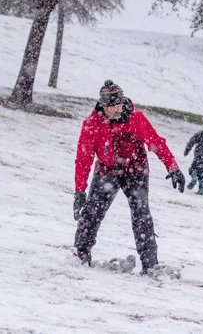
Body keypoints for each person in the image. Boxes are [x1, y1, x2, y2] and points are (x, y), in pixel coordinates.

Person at [73, 80, 186, 275]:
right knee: (91, 213)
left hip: (136, 171)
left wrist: (173, 167)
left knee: (142, 216)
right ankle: (80, 254)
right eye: (111, 107)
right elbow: (83, 159)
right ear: (103, 106)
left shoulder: (136, 118)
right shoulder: (92, 124)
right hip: (107, 171)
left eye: (119, 105)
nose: (116, 110)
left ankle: (150, 264)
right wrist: (79, 191)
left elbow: (156, 143)